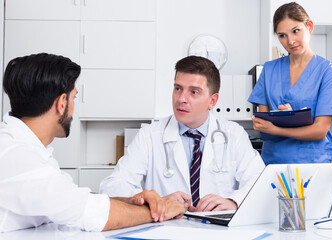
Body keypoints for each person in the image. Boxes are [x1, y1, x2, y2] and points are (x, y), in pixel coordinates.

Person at [0, 53, 185, 233]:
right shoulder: (17, 155)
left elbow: (71, 198)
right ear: (62, 103)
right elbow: (93, 214)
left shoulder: (22, 147)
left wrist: (131, 201)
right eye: (74, 97)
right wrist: (161, 210)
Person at [100, 56, 265, 212]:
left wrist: (233, 201)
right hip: (166, 228)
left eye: (193, 92)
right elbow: (113, 184)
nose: (181, 99)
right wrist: (152, 201)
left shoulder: (233, 135)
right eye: (178, 88)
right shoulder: (149, 135)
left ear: (212, 101)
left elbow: (259, 182)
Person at [248, 2, 332, 165]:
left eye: (295, 31)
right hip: (273, 163)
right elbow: (261, 127)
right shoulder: (269, 69)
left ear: (309, 26)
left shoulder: (329, 72)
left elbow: (320, 131)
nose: (290, 41)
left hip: (312, 163)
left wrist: (278, 126)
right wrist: (284, 118)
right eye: (282, 35)